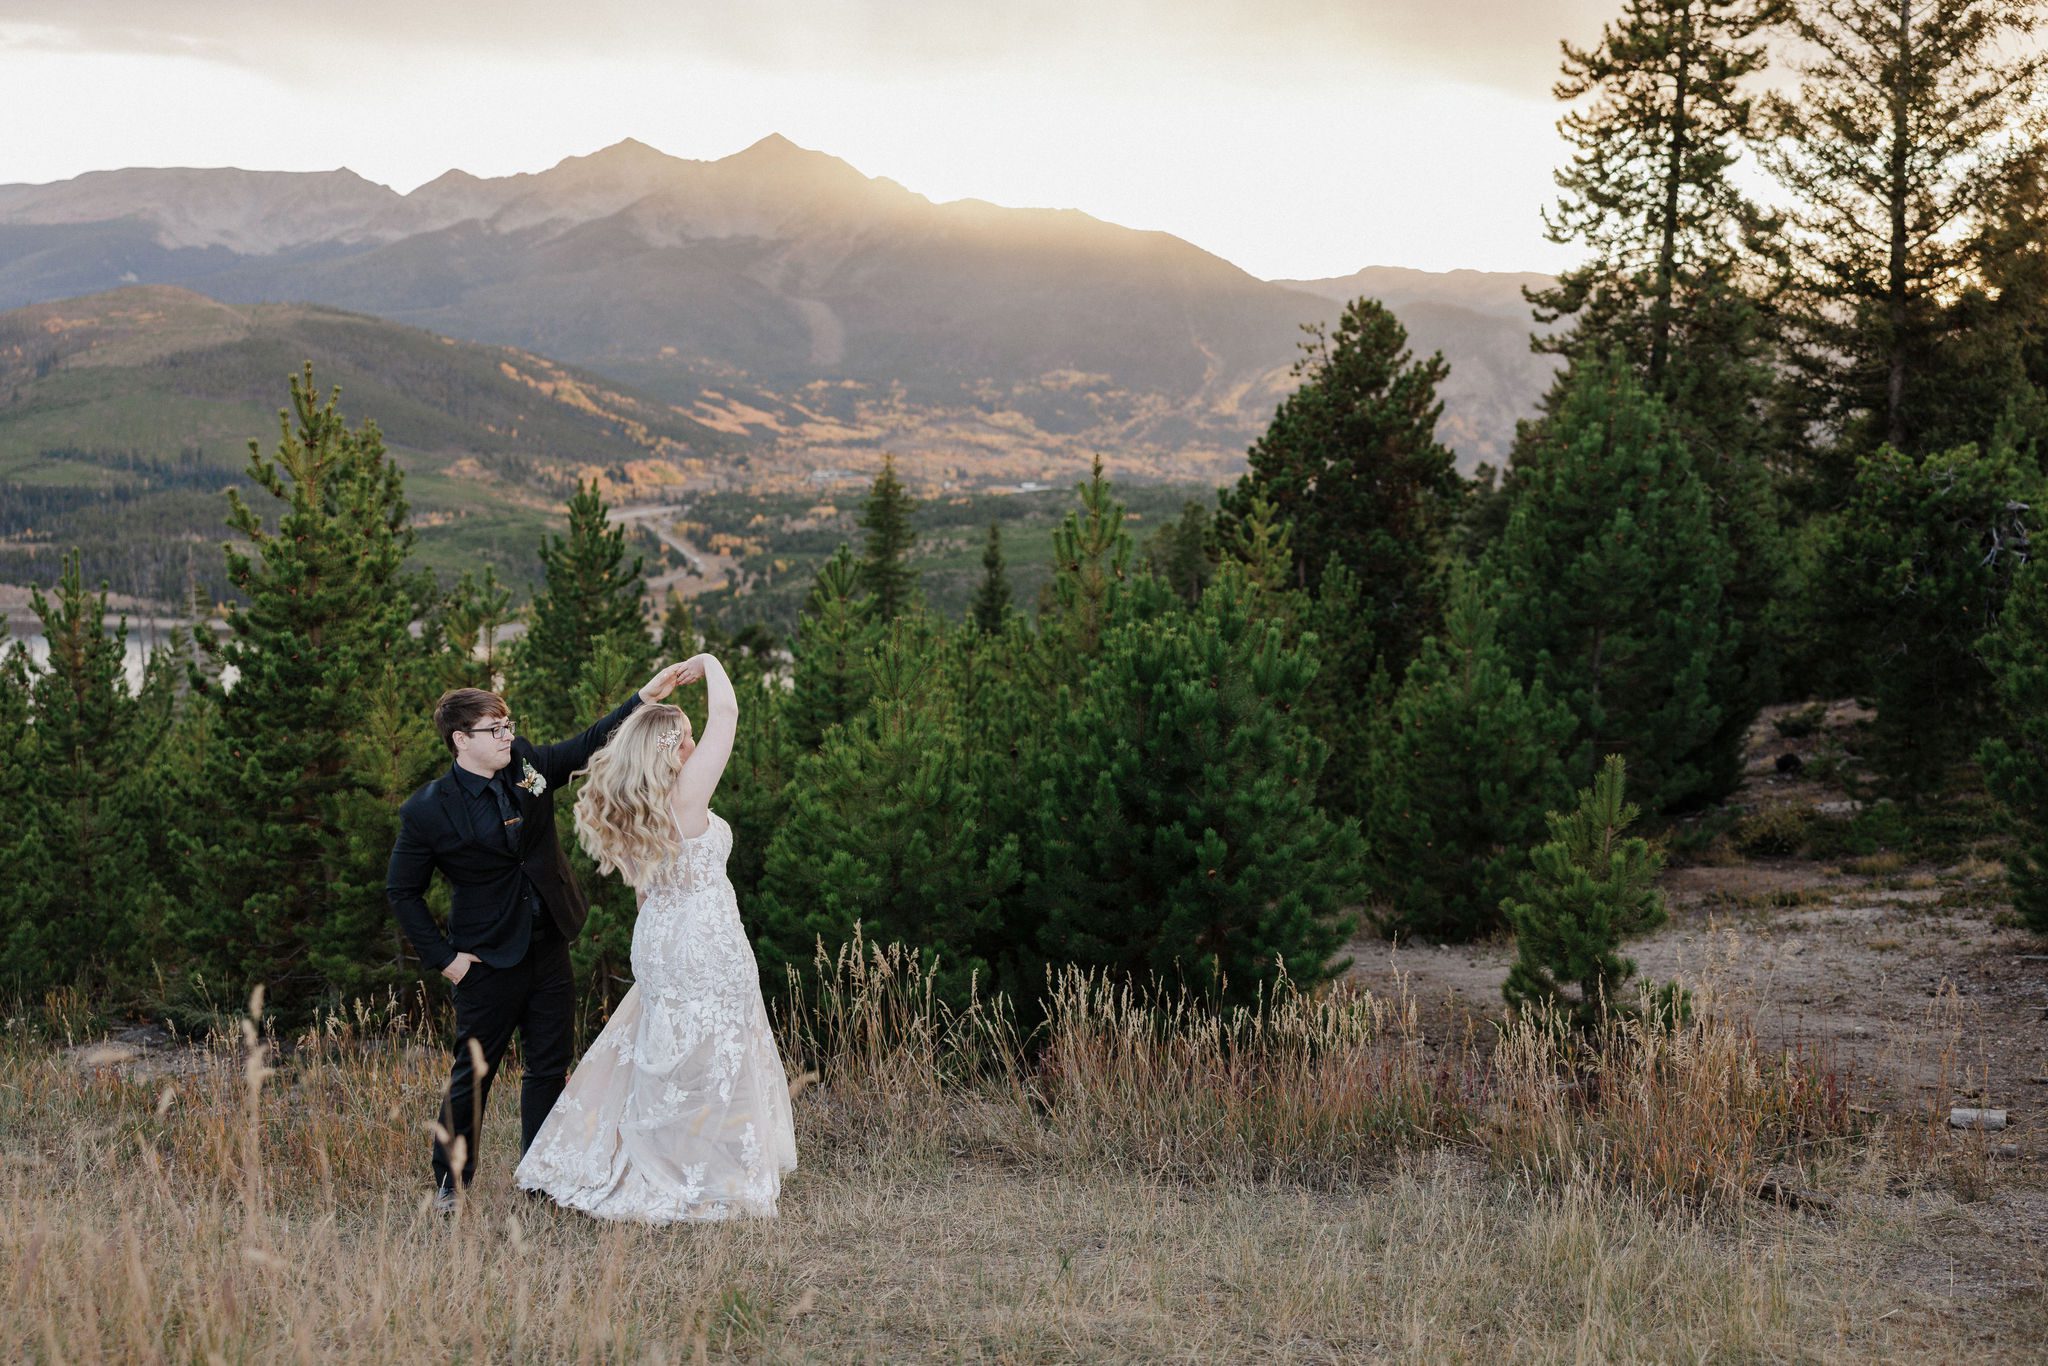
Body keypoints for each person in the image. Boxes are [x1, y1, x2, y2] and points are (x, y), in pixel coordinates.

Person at [385, 663, 692, 1209]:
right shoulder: (428, 810)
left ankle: (542, 1178)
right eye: (494, 729)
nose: (507, 735)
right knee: (473, 1074)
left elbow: (586, 744)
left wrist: (644, 696)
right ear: (461, 740)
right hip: (484, 961)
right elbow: (402, 892)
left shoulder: (525, 765)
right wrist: (446, 959)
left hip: (549, 943)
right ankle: (450, 1184)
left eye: (507, 725)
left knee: (549, 1067)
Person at [516, 652, 797, 1222]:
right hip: (703, 934)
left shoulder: (635, 807)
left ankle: (678, 1153)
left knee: (669, 1047)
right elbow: (729, 712)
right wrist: (709, 661)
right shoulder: (686, 800)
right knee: (714, 1048)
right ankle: (705, 1169)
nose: (695, 745)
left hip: (662, 934)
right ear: (669, 751)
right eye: (686, 738)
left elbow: (644, 891)